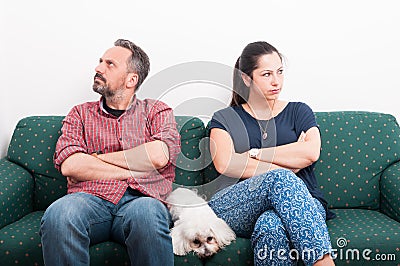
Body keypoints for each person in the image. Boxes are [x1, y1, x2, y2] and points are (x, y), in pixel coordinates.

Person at [40, 39, 181, 266]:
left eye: (110, 64)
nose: (98, 68)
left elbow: (157, 155)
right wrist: (136, 168)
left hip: (142, 200)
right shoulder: (79, 114)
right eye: (100, 62)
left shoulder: (156, 111)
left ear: (131, 79)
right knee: (59, 214)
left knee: (148, 214)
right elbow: (71, 165)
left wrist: (94, 159)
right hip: (89, 201)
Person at [207, 41, 336, 265]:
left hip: (303, 202)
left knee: (271, 226)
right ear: (247, 78)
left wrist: (255, 153)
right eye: (266, 74)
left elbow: (311, 152)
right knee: (282, 178)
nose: (276, 81)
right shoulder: (225, 118)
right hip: (235, 204)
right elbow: (226, 164)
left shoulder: (299, 111)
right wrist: (290, 165)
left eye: (280, 72)